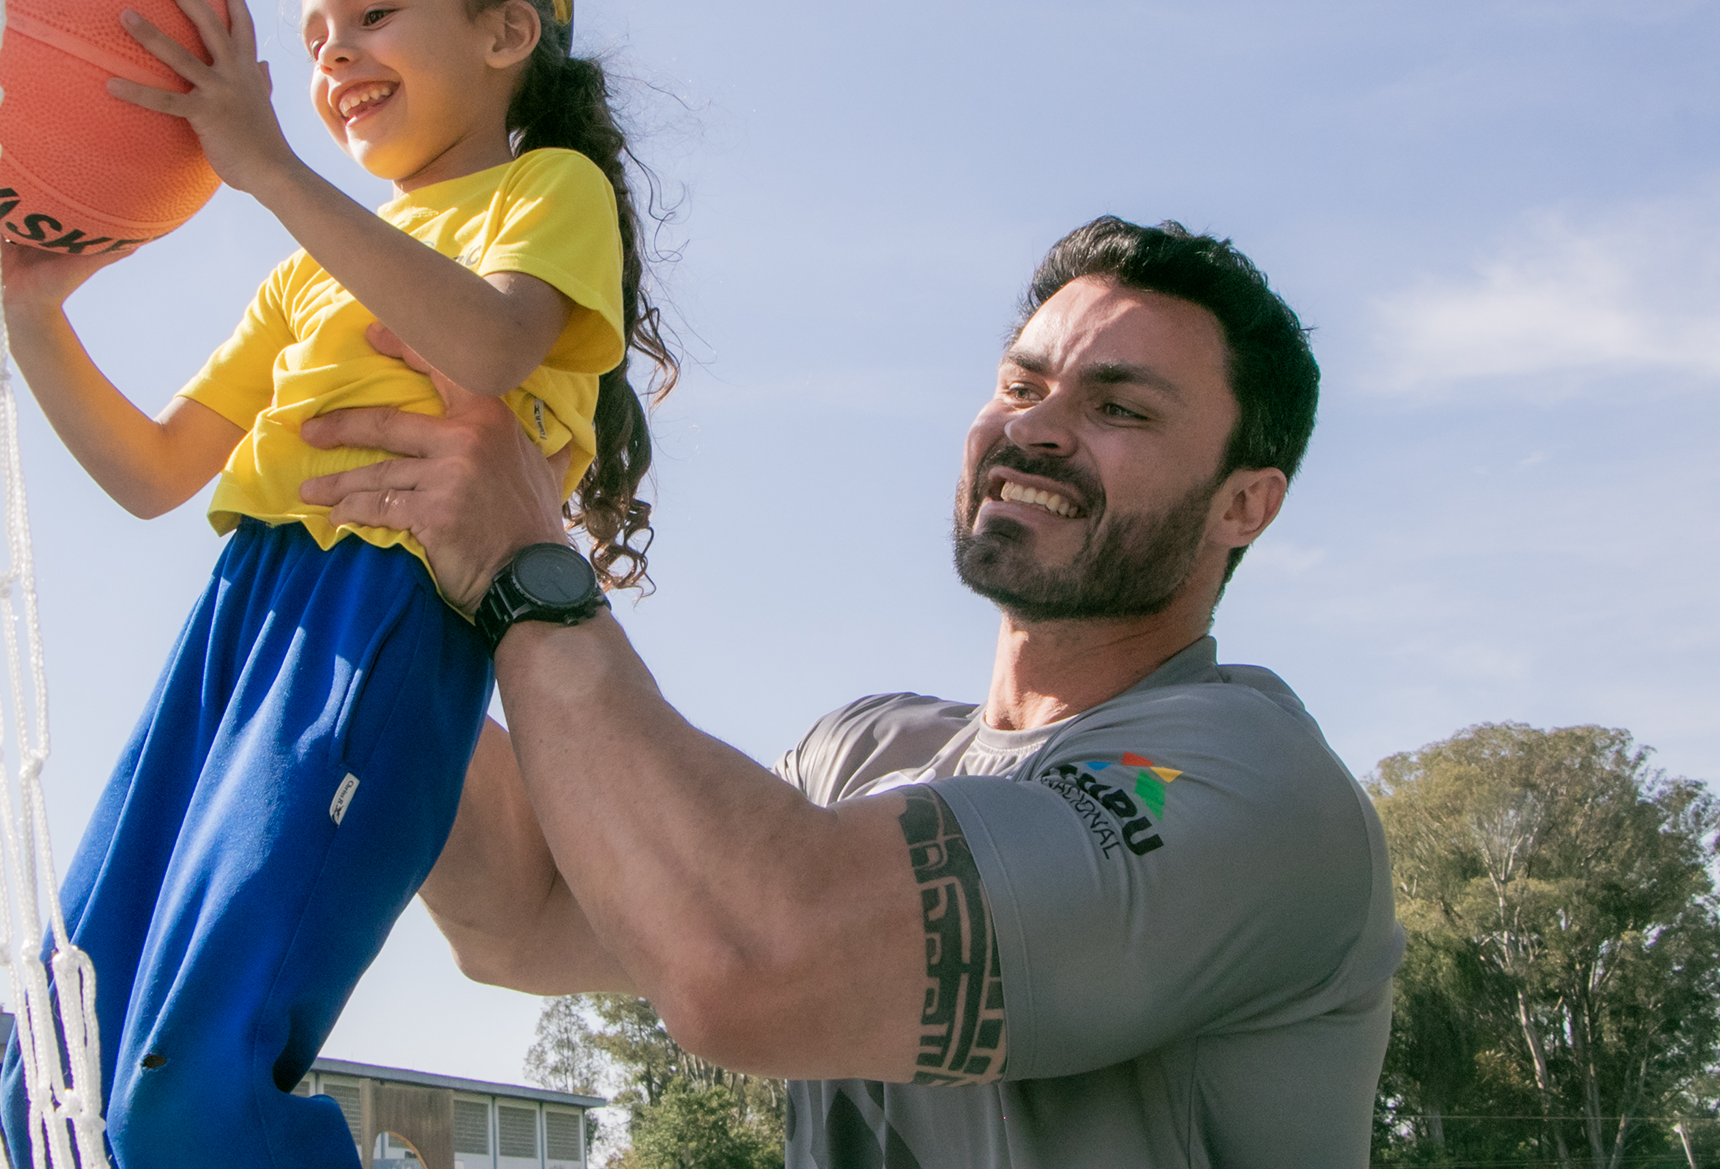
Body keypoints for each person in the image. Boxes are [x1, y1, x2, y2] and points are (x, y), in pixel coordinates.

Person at [298, 218, 1405, 1167]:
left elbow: (756, 959)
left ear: (1242, 506)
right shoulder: (864, 752)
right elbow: (530, 915)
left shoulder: (1234, 786)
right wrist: (378, 583)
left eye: (1119, 409)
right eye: (1021, 383)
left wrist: (523, 569)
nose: (1034, 426)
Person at [0, 0, 676, 1169]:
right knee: (60, 1058)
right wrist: (34, 314)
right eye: (312, 42)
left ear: (504, 35)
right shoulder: (304, 271)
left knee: (188, 1096)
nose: (332, 59)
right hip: (236, 624)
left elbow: (483, 345)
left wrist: (267, 167)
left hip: (379, 630)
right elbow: (151, 473)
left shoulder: (547, 188)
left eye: (373, 15)